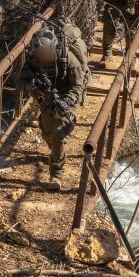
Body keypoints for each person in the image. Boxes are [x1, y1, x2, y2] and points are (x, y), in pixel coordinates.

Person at [17, 22, 88, 191]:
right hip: (47, 97)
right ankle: (54, 149)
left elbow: (78, 86)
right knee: (47, 134)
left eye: (46, 53)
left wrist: (66, 103)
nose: (43, 57)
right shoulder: (34, 60)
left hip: (68, 97)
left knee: (58, 135)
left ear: (54, 48)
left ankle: (56, 174)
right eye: (40, 54)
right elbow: (20, 81)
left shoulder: (69, 59)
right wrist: (32, 88)